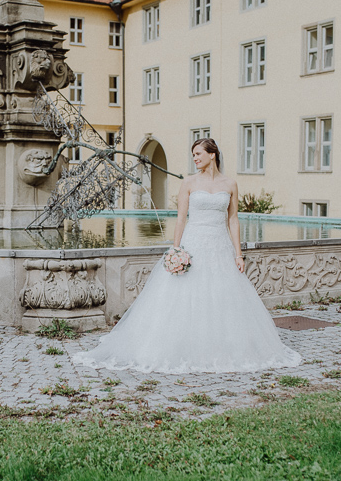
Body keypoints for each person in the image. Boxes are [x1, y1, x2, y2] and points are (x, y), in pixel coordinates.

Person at [73, 138, 301, 374]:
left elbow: (232, 220)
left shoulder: (230, 184)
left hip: (220, 246)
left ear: (212, 155)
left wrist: (238, 254)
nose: (195, 158)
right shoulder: (189, 183)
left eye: (198, 153)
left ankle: (221, 346)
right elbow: (181, 218)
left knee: (222, 297)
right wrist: (176, 249)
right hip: (193, 244)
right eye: (193, 154)